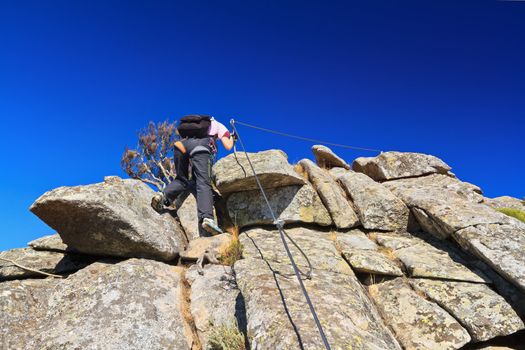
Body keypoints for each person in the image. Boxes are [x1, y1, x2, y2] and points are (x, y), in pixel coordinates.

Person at [151, 115, 235, 236]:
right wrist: (232, 137)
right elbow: (228, 146)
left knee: (181, 179)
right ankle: (207, 218)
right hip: (201, 146)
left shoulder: (196, 125)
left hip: (181, 145)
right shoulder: (219, 126)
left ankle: (162, 197)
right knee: (203, 182)